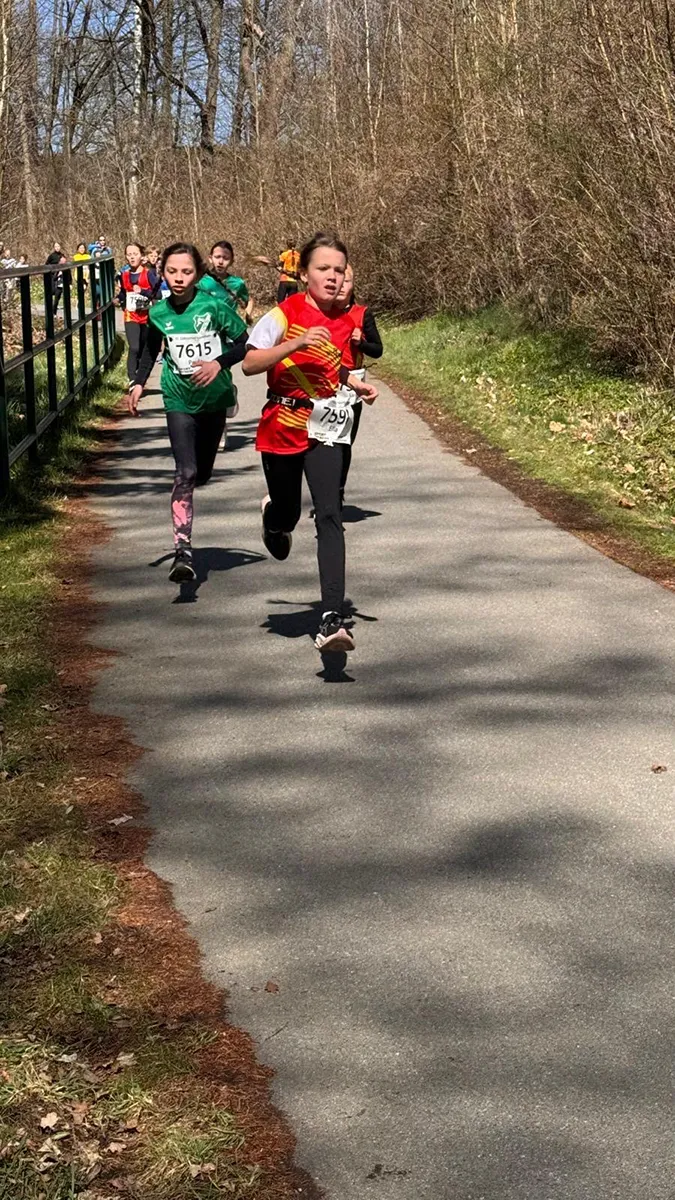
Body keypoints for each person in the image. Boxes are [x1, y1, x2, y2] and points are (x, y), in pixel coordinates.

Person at [242, 231, 378, 653]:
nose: (333, 277)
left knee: (329, 513)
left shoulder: (346, 320)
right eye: (323, 269)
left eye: (339, 269)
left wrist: (353, 383)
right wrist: (296, 341)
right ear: (304, 273)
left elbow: (329, 368)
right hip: (282, 424)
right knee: (288, 513)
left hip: (324, 429)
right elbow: (249, 363)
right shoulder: (284, 314)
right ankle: (273, 518)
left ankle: (332, 617)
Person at [126, 242, 248, 584]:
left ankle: (229, 396)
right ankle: (182, 552)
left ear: (197, 274)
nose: (179, 278)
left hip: (213, 398)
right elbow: (150, 351)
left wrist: (218, 363)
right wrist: (138, 383)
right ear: (163, 273)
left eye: (186, 272)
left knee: (202, 474)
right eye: (172, 271)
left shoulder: (213, 307)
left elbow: (245, 343)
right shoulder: (158, 313)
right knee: (186, 472)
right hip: (177, 397)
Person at [334, 263, 383, 506]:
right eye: (339, 280)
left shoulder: (363, 314)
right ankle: (325, 492)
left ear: (353, 286)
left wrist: (360, 342)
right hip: (323, 382)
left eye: (348, 281)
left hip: (351, 385)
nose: (342, 286)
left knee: (344, 441)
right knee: (323, 441)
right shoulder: (320, 312)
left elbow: (377, 350)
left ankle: (337, 491)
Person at [118, 242, 158, 385]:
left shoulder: (148, 274)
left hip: (146, 316)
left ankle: (139, 374)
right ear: (125, 257)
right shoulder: (124, 275)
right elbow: (123, 294)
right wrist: (118, 299)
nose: (132, 257)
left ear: (141, 256)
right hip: (131, 315)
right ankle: (132, 379)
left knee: (142, 346)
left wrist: (143, 292)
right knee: (134, 347)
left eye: (135, 254)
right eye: (129, 254)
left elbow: (158, 293)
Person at [200, 240, 254, 322]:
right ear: (210, 259)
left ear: (231, 262)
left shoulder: (237, 283)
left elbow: (249, 300)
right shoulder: (201, 282)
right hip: (208, 325)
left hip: (229, 326)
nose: (220, 262)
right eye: (217, 257)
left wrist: (247, 317)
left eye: (226, 258)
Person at [276, 238, 300, 303]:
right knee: (292, 303)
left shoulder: (284, 254)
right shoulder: (298, 255)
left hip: (284, 280)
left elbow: (280, 266)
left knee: (280, 302)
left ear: (287, 245)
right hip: (294, 281)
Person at [45, 243, 66, 314]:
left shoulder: (62, 255)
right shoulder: (51, 256)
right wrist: (52, 271)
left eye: (58, 246)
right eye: (56, 246)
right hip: (53, 277)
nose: (57, 248)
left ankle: (54, 310)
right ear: (54, 247)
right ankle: (50, 310)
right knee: (51, 293)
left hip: (60, 277)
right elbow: (46, 265)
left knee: (58, 295)